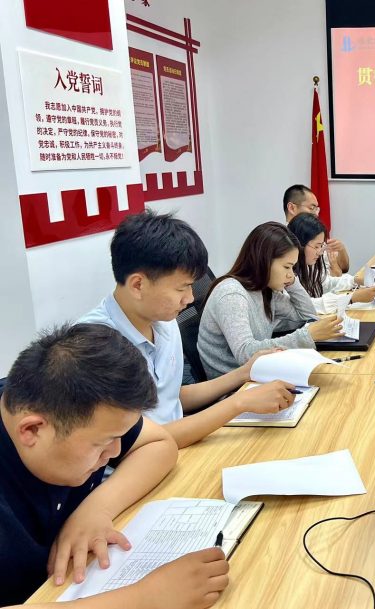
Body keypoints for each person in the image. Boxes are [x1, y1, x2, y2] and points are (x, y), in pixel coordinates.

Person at [0, 323, 229, 608]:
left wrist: (96, 509)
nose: (117, 451)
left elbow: (159, 443)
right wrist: (144, 599)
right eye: (103, 443)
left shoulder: (69, 404)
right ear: (32, 430)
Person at [79, 211, 294, 449]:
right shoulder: (94, 347)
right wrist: (239, 403)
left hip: (180, 448)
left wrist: (243, 373)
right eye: (182, 288)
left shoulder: (164, 321)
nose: (190, 299)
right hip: (148, 457)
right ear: (138, 285)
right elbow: (134, 442)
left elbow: (170, 399)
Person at [198, 222, 344, 379]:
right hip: (235, 386)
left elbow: (306, 316)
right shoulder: (231, 294)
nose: (291, 274)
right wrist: (307, 336)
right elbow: (245, 354)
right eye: (287, 267)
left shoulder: (265, 291)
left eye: (293, 268)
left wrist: (292, 283)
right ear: (264, 261)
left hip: (259, 374)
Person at [287, 213, 375, 313]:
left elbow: (325, 283)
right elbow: (306, 305)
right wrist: (351, 298)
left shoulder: (309, 264)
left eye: (321, 246)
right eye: (316, 246)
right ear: (300, 243)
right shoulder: (288, 273)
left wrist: (355, 281)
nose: (320, 252)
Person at [283, 184, 350, 274]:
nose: (316, 214)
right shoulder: (283, 241)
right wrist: (336, 273)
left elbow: (343, 268)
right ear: (292, 208)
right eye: (312, 208)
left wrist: (341, 250)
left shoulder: (314, 235)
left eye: (317, 209)